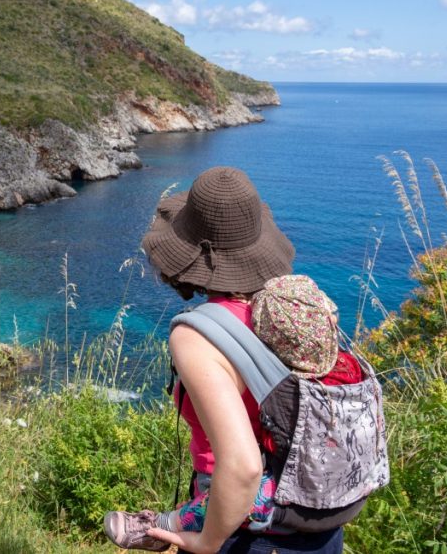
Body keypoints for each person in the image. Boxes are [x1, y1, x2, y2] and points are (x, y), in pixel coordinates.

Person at [121, 167, 346, 554]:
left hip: (248, 534)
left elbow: (242, 466)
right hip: (316, 526)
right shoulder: (295, 310)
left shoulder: (197, 335)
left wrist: (207, 542)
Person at [104, 273, 362, 551]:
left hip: (273, 507)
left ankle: (160, 526)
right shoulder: (349, 369)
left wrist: (208, 542)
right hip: (335, 504)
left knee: (235, 497)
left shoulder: (283, 391)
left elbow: (245, 470)